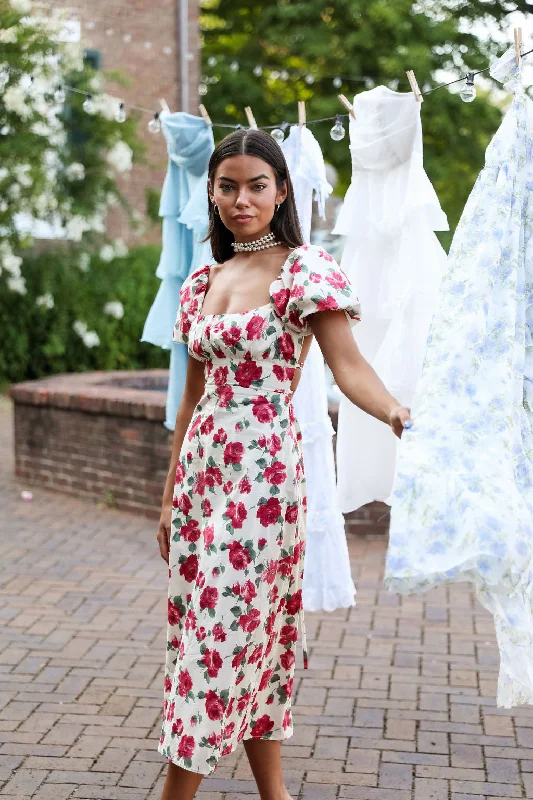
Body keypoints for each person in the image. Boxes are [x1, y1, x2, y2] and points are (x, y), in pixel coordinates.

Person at [155, 128, 411, 800]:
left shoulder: (304, 269)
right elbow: (191, 397)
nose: (242, 199)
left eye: (256, 185)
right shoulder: (203, 278)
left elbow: (348, 366)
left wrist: (393, 412)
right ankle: (276, 796)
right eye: (228, 185)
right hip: (202, 483)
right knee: (221, 637)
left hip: (262, 483)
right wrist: (168, 494)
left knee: (224, 638)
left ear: (281, 190)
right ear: (210, 193)